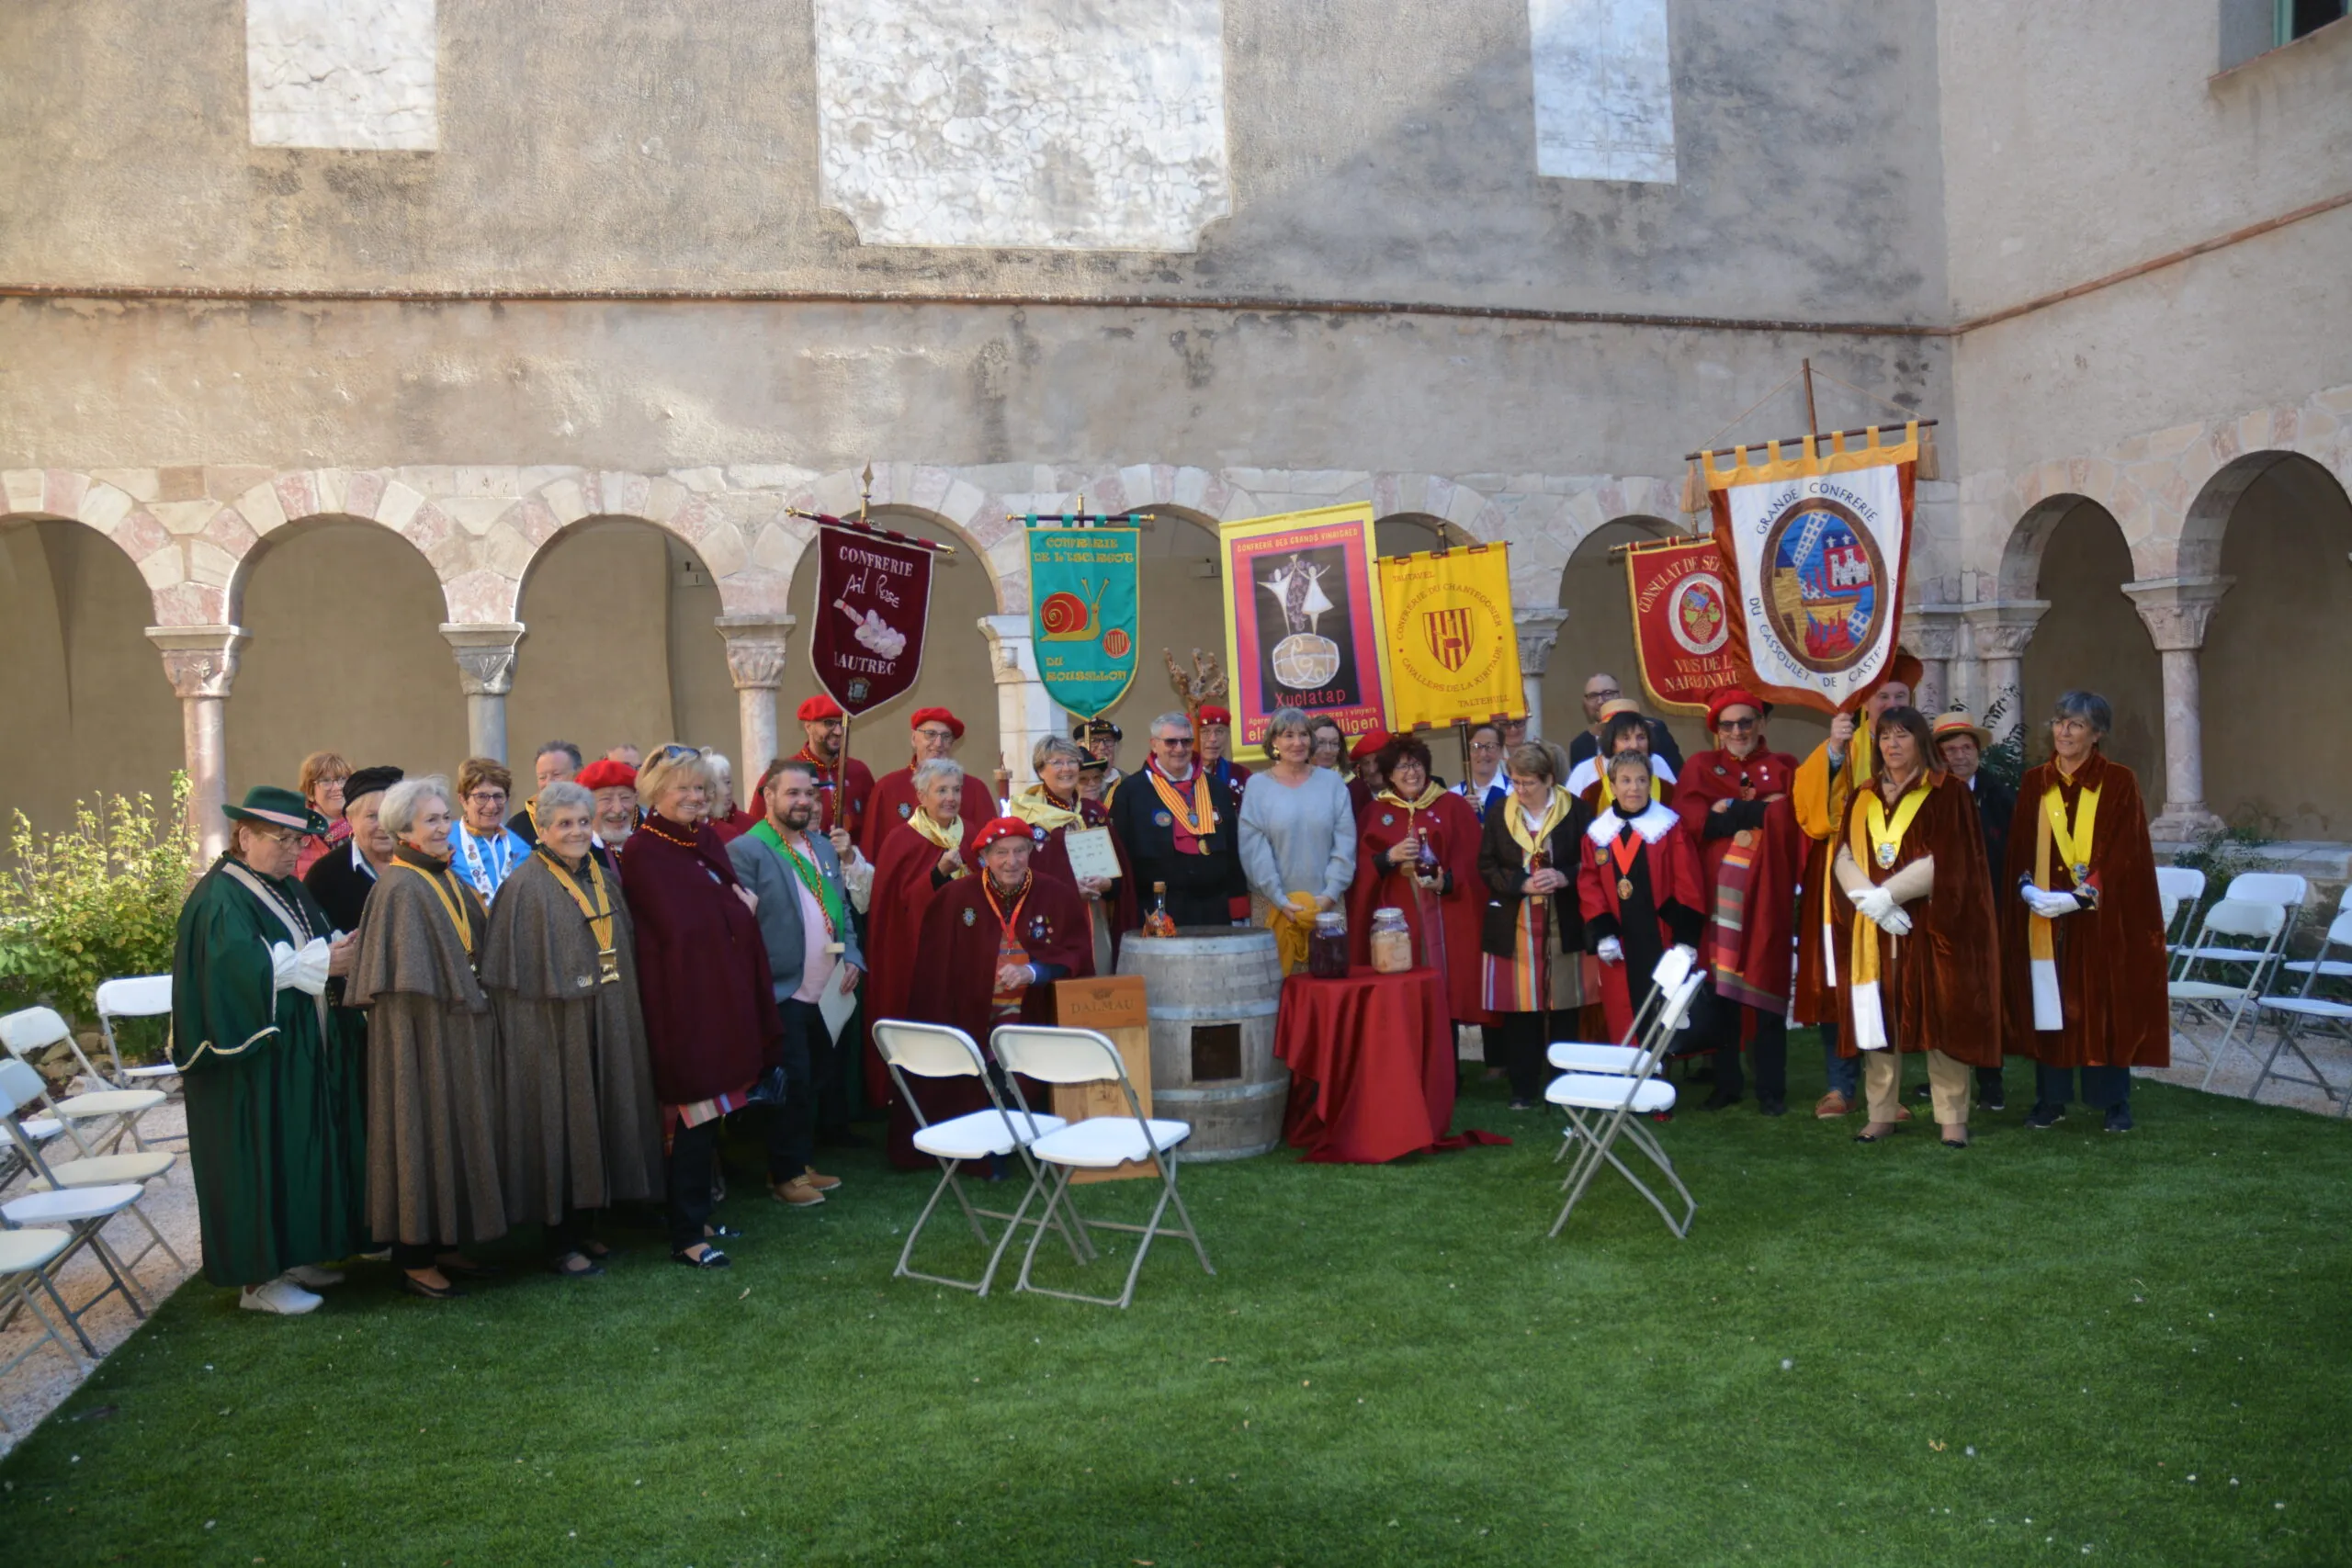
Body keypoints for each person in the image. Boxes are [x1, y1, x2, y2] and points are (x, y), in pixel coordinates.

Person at [170, 784, 362, 1315]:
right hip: (248, 1059)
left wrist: (334, 952)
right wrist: (322, 962)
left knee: (295, 1148)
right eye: (279, 839)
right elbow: (234, 970)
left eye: (297, 841)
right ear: (244, 835)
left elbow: (309, 946)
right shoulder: (219, 898)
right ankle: (258, 1282)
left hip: (293, 1048)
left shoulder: (284, 886)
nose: (291, 851)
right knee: (259, 1155)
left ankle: (294, 1255)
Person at [477, 779, 664, 1276]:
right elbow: (512, 975)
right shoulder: (525, 886)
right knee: (564, 1123)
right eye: (564, 824)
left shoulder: (601, 874)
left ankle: (588, 1227)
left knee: (600, 1117)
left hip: (607, 1014)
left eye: (584, 822)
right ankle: (560, 1240)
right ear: (541, 829)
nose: (577, 831)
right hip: (552, 1028)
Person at [619, 744, 783, 1265]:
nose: (695, 797)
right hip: (684, 1005)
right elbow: (682, 928)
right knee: (692, 1116)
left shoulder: (702, 837)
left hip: (720, 997)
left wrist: (738, 912)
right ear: (655, 795)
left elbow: (726, 908)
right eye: (683, 789)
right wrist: (739, 913)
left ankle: (698, 1218)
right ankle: (687, 1236)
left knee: (712, 1117)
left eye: (700, 788)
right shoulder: (646, 851)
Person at [346, 775, 506, 1301]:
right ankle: (415, 1257)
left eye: (444, 818)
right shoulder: (400, 888)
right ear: (404, 832)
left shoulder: (440, 877)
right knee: (421, 1131)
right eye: (432, 821)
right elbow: (402, 987)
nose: (443, 828)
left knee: (452, 1131)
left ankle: (444, 1241)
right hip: (420, 1039)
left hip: (451, 1029)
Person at [1829, 706, 2002, 1147]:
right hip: (1876, 928)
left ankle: (1952, 1119)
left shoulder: (1947, 793)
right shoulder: (1862, 795)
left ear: (1920, 742)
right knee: (1879, 1021)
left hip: (1930, 924)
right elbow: (1845, 857)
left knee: (1941, 1020)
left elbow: (1950, 858)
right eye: (1886, 736)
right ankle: (1881, 1114)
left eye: (1903, 735)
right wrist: (1872, 903)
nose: (1892, 744)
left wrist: (1890, 896)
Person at [2000, 692, 2170, 1133]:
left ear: (2097, 734)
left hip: (2098, 916)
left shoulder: (2118, 781)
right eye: (2058, 722)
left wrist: (2083, 895)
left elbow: (2127, 849)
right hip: (2044, 918)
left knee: (2103, 1005)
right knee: (2049, 1002)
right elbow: (2019, 843)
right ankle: (2050, 1099)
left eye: (2075, 725)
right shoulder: (2036, 780)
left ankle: (2113, 1102)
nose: (2063, 732)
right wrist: (2025, 887)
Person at [727, 756, 865, 1207]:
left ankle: (801, 1163)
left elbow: (841, 909)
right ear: (768, 796)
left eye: (809, 793)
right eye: (792, 793)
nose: (803, 801)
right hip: (781, 988)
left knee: (815, 1080)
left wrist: (853, 957)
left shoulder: (823, 846)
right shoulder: (747, 850)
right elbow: (741, 928)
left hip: (827, 988)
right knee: (792, 1081)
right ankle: (784, 1173)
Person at [1791, 652, 1922, 1119]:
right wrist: (1832, 753)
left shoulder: (1921, 755)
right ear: (1864, 703)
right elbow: (1811, 811)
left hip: (1897, 880)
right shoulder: (1840, 746)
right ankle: (1838, 1087)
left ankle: (1887, 1092)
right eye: (1880, 695)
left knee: (1891, 983)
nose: (1889, 703)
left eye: (1899, 696)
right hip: (1841, 883)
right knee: (1838, 982)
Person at [1672, 689, 1803, 1114]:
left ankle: (1771, 1091)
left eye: (1745, 722)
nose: (1737, 731)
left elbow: (1794, 819)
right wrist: (1759, 811)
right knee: (1722, 994)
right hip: (1718, 904)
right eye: (1727, 725)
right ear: (1716, 730)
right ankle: (1726, 1084)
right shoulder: (1700, 767)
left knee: (1766, 993)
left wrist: (1728, 814)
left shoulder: (1784, 767)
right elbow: (1691, 822)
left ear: (1760, 724)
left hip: (1767, 901)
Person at [908, 815, 1092, 1066]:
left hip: (1035, 1025)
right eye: (1001, 853)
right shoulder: (956, 896)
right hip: (969, 1025)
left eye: (1019, 851)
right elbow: (935, 969)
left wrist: (1034, 971)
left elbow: (1077, 956)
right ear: (984, 856)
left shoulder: (1057, 895)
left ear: (1030, 851)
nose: (1011, 862)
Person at [1476, 745, 1591, 1110]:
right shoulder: (1499, 812)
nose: (1520, 790)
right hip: (1515, 922)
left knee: (1564, 1009)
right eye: (1516, 782)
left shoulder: (1576, 811)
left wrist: (1564, 875)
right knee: (1520, 1010)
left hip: (1564, 918)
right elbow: (1486, 865)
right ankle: (1523, 1089)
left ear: (1549, 780)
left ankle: (1564, 1087)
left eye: (1528, 783)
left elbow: (1592, 861)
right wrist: (1519, 884)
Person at [1348, 733, 1488, 1027]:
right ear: (1388, 775)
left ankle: (1451, 1068)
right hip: (1397, 914)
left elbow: (1472, 859)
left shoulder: (1452, 805)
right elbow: (1362, 866)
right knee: (1404, 993)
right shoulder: (1375, 812)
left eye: (1416, 765)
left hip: (1445, 912)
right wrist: (1391, 856)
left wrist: (1445, 881)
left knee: (1447, 985)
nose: (1411, 773)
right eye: (1402, 767)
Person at [1577, 750, 1705, 1045]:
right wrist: (1603, 933)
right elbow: (1589, 884)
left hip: (1662, 937)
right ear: (1612, 785)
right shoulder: (1597, 835)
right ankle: (1629, 1074)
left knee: (1664, 1012)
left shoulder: (1670, 827)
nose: (1633, 788)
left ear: (1651, 784)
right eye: (1625, 780)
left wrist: (1686, 939)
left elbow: (1689, 882)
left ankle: (1660, 1079)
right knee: (1623, 1013)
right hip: (1619, 944)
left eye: (1641, 780)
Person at [1237, 706, 1357, 974]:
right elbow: (1253, 849)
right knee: (1278, 993)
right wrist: (1280, 899)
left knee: (1328, 987)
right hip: (1272, 904)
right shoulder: (1257, 786)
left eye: (1304, 735)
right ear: (1274, 742)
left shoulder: (1333, 783)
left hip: (1327, 905)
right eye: (1288, 735)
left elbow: (1345, 843)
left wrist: (1328, 895)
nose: (1298, 742)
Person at [1936, 710, 2016, 1108]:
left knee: (1987, 997)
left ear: (1978, 753)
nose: (1960, 756)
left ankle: (1991, 1083)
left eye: (1966, 748)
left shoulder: (1998, 795)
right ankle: (1949, 1078)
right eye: (1951, 750)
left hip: (1990, 911)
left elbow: (2014, 851)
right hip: (1941, 912)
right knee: (1944, 997)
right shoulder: (1928, 795)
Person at [1107, 711, 1248, 929]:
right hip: (1157, 910)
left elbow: (1233, 850)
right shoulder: (1131, 792)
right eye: (1171, 742)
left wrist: (1238, 905)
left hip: (1214, 909)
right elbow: (1122, 856)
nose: (1179, 749)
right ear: (1154, 744)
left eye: (1186, 741)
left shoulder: (1216, 788)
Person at [1012, 736, 1132, 974]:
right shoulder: (1027, 818)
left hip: (1095, 918)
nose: (1066, 769)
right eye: (1056, 762)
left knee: (1096, 987)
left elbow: (1122, 873)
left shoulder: (1093, 812)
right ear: (1040, 770)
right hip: (1050, 922)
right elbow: (1019, 877)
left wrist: (1109, 883)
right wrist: (1068, 889)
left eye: (1072, 761)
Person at [863, 707, 999, 859]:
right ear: (914, 738)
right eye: (930, 734)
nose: (938, 743)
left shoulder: (975, 789)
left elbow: (991, 852)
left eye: (946, 736)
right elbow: (871, 854)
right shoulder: (887, 788)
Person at [304, 764, 401, 934]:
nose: (384, 826)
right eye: (373, 816)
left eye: (390, 815)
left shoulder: (420, 864)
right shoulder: (325, 875)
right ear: (349, 819)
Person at [793, 694, 875, 842]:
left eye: (842, 723)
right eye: (829, 723)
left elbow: (872, 830)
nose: (838, 732)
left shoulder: (859, 772)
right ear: (808, 727)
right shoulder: (788, 773)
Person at [450, 757, 532, 903]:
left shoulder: (521, 848)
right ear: (463, 800)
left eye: (498, 796)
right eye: (481, 796)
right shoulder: (446, 844)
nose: (492, 805)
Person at [1564, 707, 1679, 809]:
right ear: (1611, 741)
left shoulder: (1658, 763)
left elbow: (1677, 805)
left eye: (1641, 737)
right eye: (1625, 738)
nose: (1635, 745)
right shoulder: (1584, 771)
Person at [1566, 677, 1686, 773]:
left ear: (1621, 694)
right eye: (1593, 696)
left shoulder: (1656, 731)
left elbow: (1678, 777)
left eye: (1608, 693)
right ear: (1585, 703)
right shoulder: (1579, 747)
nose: (1601, 701)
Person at [509, 740, 582, 847]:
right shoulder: (518, 827)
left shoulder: (595, 816)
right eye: (542, 777)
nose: (548, 783)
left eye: (556, 775)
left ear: (579, 773)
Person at [293, 750, 352, 876]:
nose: (337, 787)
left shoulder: (362, 829)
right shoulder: (296, 836)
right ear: (310, 792)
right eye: (326, 781)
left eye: (342, 779)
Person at [579, 757, 640, 861]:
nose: (618, 809)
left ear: (635, 799)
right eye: (606, 799)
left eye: (625, 798)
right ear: (586, 805)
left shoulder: (649, 847)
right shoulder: (579, 856)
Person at [1196, 705, 1251, 811]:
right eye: (1204, 732)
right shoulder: (1181, 775)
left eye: (1219, 731)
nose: (1213, 739)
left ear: (1227, 736)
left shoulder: (1242, 774)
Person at [1451, 722, 1509, 822]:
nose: (1483, 754)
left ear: (1501, 751)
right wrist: (1458, 813)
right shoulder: (1454, 796)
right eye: (1476, 746)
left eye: (1490, 746)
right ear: (1466, 752)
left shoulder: (1514, 792)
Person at [702, 750, 757, 841]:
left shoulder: (750, 825)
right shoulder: (697, 829)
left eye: (728, 782)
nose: (726, 791)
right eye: (716, 786)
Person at [1076, 717, 1125, 793]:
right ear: (1080, 745)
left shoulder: (1128, 782)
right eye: (1094, 740)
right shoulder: (1072, 783)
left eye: (1108, 740)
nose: (1102, 747)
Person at [1347, 729, 1388, 818]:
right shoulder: (1354, 799)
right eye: (1366, 763)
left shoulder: (1408, 793)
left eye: (1377, 761)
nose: (1372, 770)